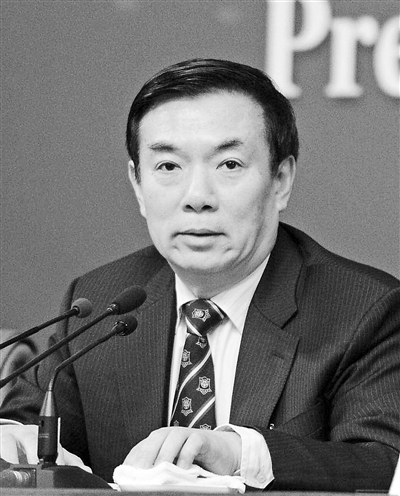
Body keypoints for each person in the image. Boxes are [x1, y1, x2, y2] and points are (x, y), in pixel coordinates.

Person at [1, 58, 399, 492]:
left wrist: (239, 454)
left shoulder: (364, 310)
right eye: (169, 167)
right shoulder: (100, 302)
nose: (197, 197)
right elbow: (28, 423)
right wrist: (15, 442)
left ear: (281, 180)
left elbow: (384, 464)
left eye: (229, 165)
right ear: (137, 185)